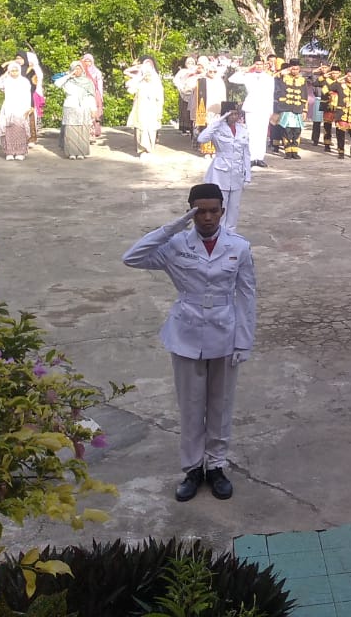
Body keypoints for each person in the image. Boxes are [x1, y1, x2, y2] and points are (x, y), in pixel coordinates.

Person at [122, 184, 256, 502]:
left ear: (223, 211)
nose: (208, 217)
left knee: (221, 405)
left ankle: (217, 466)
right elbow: (132, 257)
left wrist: (244, 342)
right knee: (191, 406)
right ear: (191, 211)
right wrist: (172, 227)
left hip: (225, 332)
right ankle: (193, 468)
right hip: (186, 332)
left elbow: (247, 296)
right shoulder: (176, 244)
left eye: (213, 210)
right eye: (200, 211)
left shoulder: (239, 247)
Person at [198, 102, 252, 233]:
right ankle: (218, 234)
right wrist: (219, 121)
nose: (234, 116)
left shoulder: (242, 129)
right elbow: (201, 138)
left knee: (234, 208)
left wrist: (248, 175)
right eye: (231, 113)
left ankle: (231, 235)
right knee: (221, 206)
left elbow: (246, 154)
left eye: (236, 113)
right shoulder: (217, 129)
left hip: (237, 173)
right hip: (220, 172)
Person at [228, 58, 276, 167]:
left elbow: (270, 94)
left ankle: (259, 157)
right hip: (251, 107)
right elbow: (232, 79)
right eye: (257, 64)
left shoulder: (269, 78)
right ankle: (250, 158)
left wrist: (270, 110)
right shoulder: (248, 76)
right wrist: (248, 69)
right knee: (251, 133)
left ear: (264, 65)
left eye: (261, 64)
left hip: (263, 108)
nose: (259, 66)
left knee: (262, 133)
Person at [125, 57, 166, 156]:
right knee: (141, 129)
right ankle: (142, 150)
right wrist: (140, 78)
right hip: (140, 110)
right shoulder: (139, 83)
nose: (147, 76)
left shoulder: (156, 84)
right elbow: (130, 88)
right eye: (145, 73)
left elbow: (160, 98)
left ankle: (149, 149)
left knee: (151, 130)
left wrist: (159, 111)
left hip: (152, 110)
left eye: (149, 74)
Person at [0, 60, 34, 161]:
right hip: (8, 107)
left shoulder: (24, 81)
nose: (14, 72)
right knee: (8, 130)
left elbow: (28, 95)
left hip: (21, 107)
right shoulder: (6, 80)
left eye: (16, 70)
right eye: (12, 70)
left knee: (20, 129)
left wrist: (28, 108)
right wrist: (5, 74)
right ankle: (9, 152)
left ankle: (20, 152)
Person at [57, 59, 97, 159]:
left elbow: (91, 96)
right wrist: (69, 75)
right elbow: (57, 83)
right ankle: (71, 153)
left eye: (79, 68)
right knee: (71, 130)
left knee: (82, 130)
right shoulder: (68, 82)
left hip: (84, 107)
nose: (77, 70)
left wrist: (93, 109)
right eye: (75, 69)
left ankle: (81, 152)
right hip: (70, 107)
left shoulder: (88, 82)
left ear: (83, 70)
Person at [275, 59, 308, 159]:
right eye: (292, 69)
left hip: (298, 108)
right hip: (286, 108)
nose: (294, 71)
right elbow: (274, 77)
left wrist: (305, 110)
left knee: (297, 130)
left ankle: (295, 150)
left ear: (299, 69)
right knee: (287, 130)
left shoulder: (302, 80)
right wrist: (284, 71)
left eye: (296, 69)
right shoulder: (282, 78)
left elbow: (305, 95)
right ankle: (288, 151)